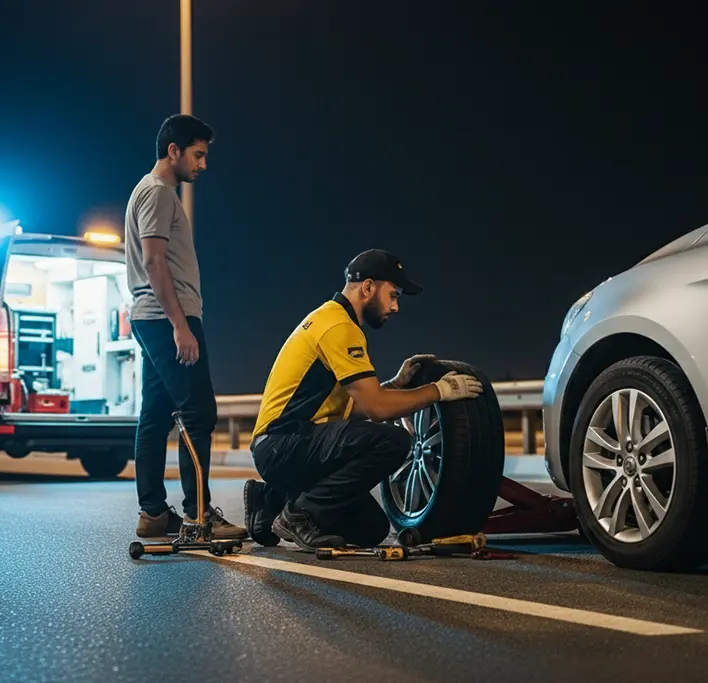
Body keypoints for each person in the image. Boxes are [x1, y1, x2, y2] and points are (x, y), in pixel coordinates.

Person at [242, 249, 483, 551]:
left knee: (371, 529)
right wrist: (440, 391)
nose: (395, 307)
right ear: (368, 287)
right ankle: (299, 514)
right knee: (393, 441)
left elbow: (354, 409)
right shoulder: (339, 327)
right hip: (283, 444)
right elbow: (377, 409)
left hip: (288, 446)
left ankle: (270, 500)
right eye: (393, 295)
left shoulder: (329, 318)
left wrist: (394, 384)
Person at [123, 114, 247, 540]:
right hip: (165, 318)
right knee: (198, 412)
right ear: (173, 151)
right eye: (198, 155)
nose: (203, 164)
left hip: (153, 317)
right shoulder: (157, 193)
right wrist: (180, 325)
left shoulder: (151, 192)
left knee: (156, 416)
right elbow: (155, 261)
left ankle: (154, 514)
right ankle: (198, 516)